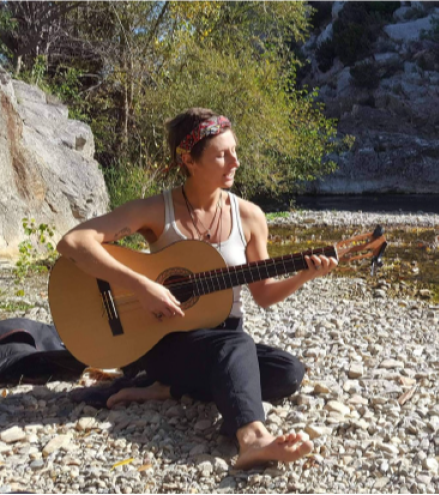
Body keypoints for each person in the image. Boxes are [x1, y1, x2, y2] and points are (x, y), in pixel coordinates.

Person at [56, 108, 338, 469]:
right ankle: (252, 439)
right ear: (189, 160)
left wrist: (303, 276)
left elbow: (264, 294)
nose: (235, 162)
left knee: (288, 371)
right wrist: (142, 287)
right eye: (222, 155)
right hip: (166, 341)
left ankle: (167, 389)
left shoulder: (249, 217)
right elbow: (73, 242)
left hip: (224, 338)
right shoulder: (158, 210)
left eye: (235, 151)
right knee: (237, 345)